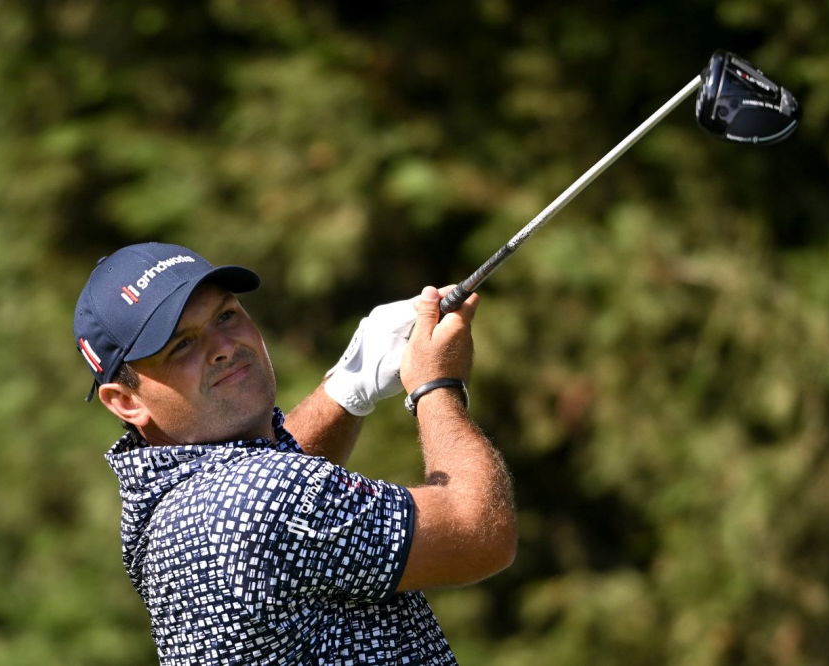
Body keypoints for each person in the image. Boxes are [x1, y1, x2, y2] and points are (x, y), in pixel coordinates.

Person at [73, 242, 516, 664]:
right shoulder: (257, 500)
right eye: (182, 345)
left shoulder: (163, 505)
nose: (224, 348)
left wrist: (346, 390)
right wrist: (436, 384)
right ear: (126, 401)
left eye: (226, 316)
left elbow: (266, 486)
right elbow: (478, 532)